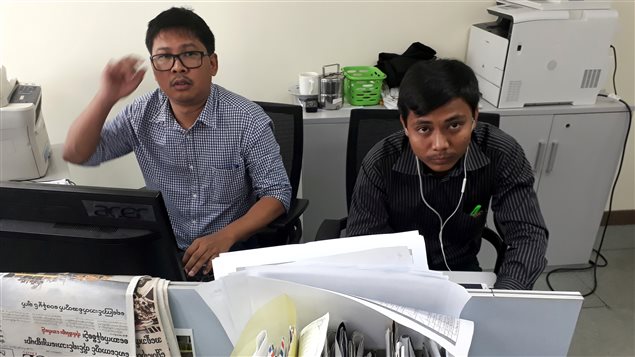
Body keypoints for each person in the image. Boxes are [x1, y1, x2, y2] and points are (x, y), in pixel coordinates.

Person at [63, 7, 291, 279]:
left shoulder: (247, 119)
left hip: (231, 248)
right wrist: (107, 96)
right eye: (164, 57)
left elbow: (277, 193)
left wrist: (225, 237)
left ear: (213, 63)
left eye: (190, 54)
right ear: (154, 68)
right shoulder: (140, 114)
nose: (177, 66)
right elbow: (78, 153)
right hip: (164, 249)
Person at [346, 59, 548, 290]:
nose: (440, 145)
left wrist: (507, 293)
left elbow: (527, 234)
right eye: (424, 129)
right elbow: (364, 243)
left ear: (474, 116)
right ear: (405, 124)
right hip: (399, 277)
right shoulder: (380, 162)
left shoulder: (501, 153)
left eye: (454, 126)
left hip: (463, 271)